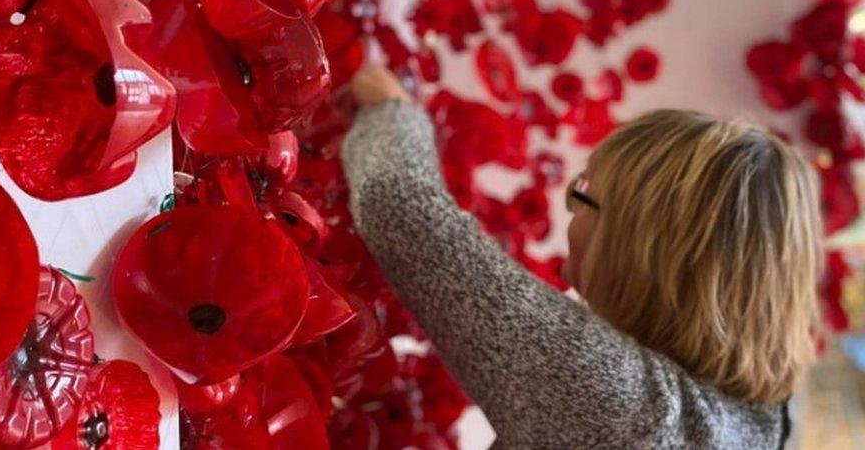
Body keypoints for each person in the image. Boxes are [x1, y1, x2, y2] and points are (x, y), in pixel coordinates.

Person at [340, 65, 822, 449]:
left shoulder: (631, 415)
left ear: (642, 247)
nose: (571, 212)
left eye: (585, 194)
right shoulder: (753, 423)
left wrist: (391, 107)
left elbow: (398, 206)